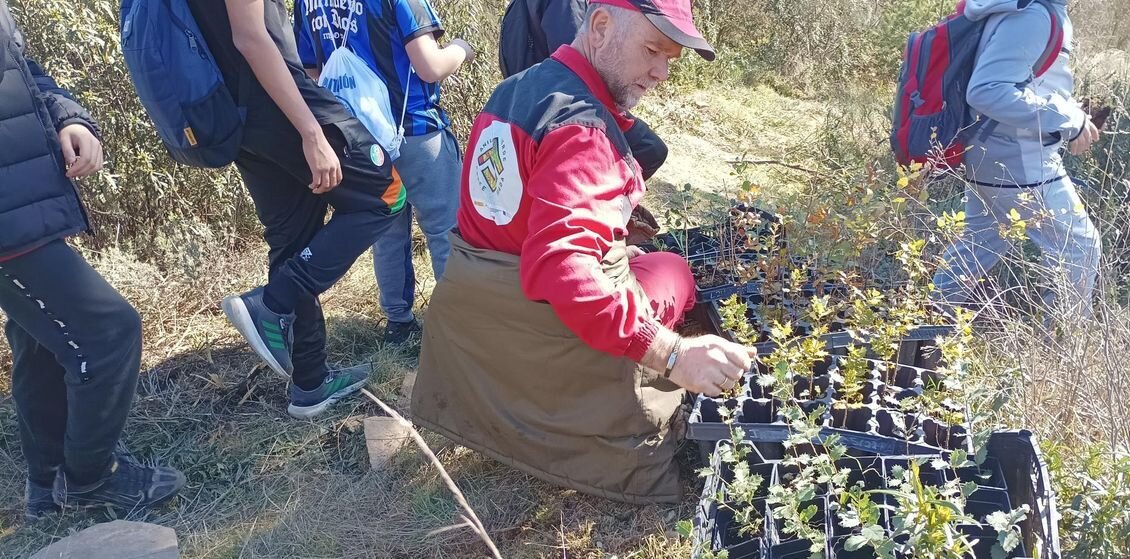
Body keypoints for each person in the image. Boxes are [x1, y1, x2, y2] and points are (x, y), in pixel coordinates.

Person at [410, 0, 755, 504]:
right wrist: (674, 354)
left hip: (476, 323)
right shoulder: (583, 129)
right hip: (543, 329)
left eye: (670, 59)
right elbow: (565, 270)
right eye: (652, 49)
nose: (660, 72)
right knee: (672, 271)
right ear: (599, 26)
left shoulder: (513, 90)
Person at [0, 0, 184, 521]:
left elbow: (22, 75)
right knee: (108, 332)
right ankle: (90, 480)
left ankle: (46, 483)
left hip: (24, 199)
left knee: (40, 341)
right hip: (8, 214)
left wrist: (68, 117)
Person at [192, 0, 404, 419]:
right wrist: (311, 131)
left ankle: (309, 382)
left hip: (238, 114)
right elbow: (251, 37)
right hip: (279, 103)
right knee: (387, 195)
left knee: (293, 236)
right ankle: (272, 303)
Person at [293, 0, 475, 346]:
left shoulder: (307, 3)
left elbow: (311, 73)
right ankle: (458, 327)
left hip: (361, 142)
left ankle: (398, 323)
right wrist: (460, 49)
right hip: (415, 130)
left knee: (387, 234)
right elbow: (429, 66)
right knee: (444, 230)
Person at [932, 0, 1102, 321]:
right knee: (1079, 245)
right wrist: (1066, 117)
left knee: (981, 242)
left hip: (994, 152)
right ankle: (1064, 351)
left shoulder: (1029, 9)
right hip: (1016, 158)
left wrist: (1069, 109)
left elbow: (1021, 81)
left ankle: (923, 327)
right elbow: (986, 90)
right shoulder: (1034, 15)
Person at [499, 0, 669, 180]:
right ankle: (608, 195)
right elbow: (578, 60)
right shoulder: (565, 4)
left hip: (532, 96)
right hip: (561, 103)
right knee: (651, 149)